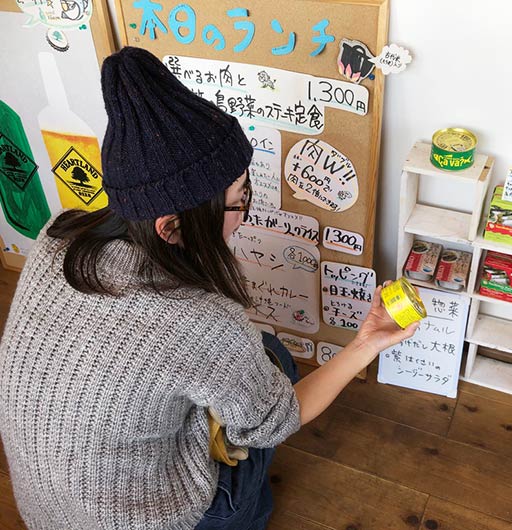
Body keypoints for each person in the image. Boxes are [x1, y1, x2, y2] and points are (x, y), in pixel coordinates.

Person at [0, 47, 417, 530]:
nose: (246, 214)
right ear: (172, 228)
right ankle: (246, 516)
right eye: (240, 202)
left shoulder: (61, 233)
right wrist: (369, 341)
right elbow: (280, 419)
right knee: (272, 369)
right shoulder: (205, 322)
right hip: (144, 520)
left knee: (264, 355)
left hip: (44, 510)